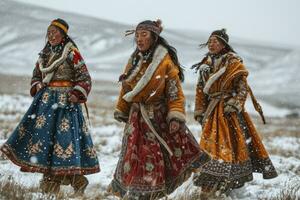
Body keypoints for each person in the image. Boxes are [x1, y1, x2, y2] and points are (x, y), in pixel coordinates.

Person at [108, 19, 210, 199]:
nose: (139, 39)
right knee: (133, 153)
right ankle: (135, 188)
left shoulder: (165, 62)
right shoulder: (133, 60)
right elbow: (126, 87)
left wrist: (175, 117)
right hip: (136, 116)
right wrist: (122, 110)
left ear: (154, 37)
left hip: (158, 116)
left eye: (144, 35)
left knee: (152, 153)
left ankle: (150, 190)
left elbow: (174, 92)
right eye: (137, 35)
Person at [0, 18, 100, 196]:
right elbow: (36, 75)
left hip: (66, 104)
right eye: (49, 32)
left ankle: (75, 179)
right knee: (45, 140)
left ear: (63, 35)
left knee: (64, 140)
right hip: (45, 104)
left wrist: (76, 93)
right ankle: (50, 181)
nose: (51, 35)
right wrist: (37, 84)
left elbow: (85, 78)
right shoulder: (44, 55)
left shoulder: (72, 53)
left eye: (55, 32)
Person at [192, 29, 278, 197]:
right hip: (211, 113)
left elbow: (242, 87)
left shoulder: (233, 63)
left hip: (228, 112)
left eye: (215, 41)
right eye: (209, 41)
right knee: (210, 145)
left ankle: (229, 180)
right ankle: (210, 180)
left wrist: (235, 104)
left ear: (224, 44)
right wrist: (199, 110)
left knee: (232, 145)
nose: (211, 44)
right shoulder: (205, 65)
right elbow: (200, 90)